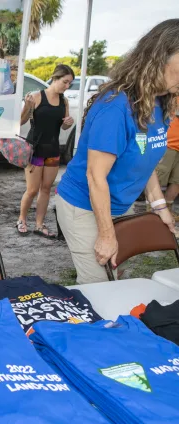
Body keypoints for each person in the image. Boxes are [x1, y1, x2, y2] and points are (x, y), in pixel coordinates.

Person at [56, 19, 179, 284]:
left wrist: (159, 206)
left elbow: (144, 160)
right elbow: (95, 176)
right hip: (83, 205)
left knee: (114, 275)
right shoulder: (116, 107)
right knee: (98, 284)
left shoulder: (160, 102)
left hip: (117, 206)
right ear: (160, 58)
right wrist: (107, 233)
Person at [17, 64, 75, 238]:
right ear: (55, 78)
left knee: (46, 189)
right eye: (65, 82)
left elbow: (63, 127)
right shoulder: (36, 97)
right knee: (32, 189)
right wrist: (27, 107)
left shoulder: (64, 101)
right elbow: (20, 122)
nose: (67, 86)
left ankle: (39, 224)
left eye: (69, 84)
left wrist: (67, 123)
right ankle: (21, 219)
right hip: (34, 150)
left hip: (53, 150)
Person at [155, 98, 179, 218]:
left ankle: (167, 210)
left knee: (177, 181)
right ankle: (153, 213)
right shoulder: (172, 95)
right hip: (169, 144)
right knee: (158, 180)